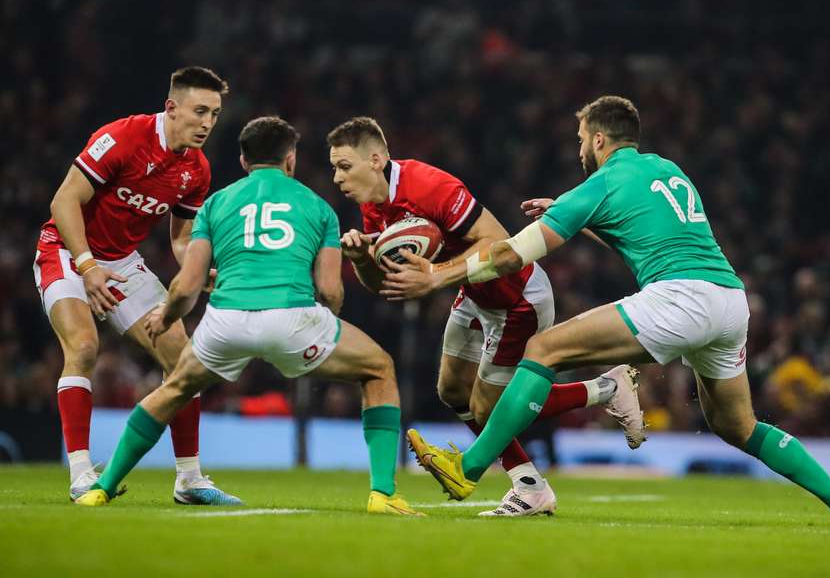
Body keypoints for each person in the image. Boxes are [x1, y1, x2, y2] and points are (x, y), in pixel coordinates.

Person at [389, 96, 830, 527]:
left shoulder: (601, 182)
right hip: (730, 300)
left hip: (680, 298)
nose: (579, 149)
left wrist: (436, 276)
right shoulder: (667, 169)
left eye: (581, 139)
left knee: (544, 347)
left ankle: (468, 468)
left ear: (599, 139)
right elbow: (638, 233)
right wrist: (574, 217)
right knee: (739, 426)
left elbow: (509, 255)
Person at [75, 116, 421, 516]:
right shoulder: (318, 207)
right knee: (379, 368)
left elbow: (188, 285)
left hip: (226, 321)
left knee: (173, 390)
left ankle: (103, 486)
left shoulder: (216, 204)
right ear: (290, 159)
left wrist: (165, 317)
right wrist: (326, 323)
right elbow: (330, 290)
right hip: (293, 320)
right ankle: (382, 494)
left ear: (243, 160)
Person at [327, 117, 643, 517]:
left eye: (344, 166)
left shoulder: (428, 185)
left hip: (517, 298)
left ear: (376, 159)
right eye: (334, 167)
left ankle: (605, 390)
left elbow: (497, 240)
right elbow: (384, 286)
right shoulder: (372, 206)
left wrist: (436, 276)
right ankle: (530, 484)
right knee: (452, 391)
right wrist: (361, 260)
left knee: (486, 407)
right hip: (474, 296)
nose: (336, 177)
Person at [33, 67, 240, 505]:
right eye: (199, 111)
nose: (207, 123)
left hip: (123, 263)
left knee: (183, 358)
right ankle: (82, 473)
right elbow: (63, 201)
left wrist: (200, 271)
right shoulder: (123, 137)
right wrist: (87, 266)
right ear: (171, 107)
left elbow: (181, 241)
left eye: (215, 114)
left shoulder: (196, 170)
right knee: (85, 347)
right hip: (69, 252)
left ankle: (189, 478)